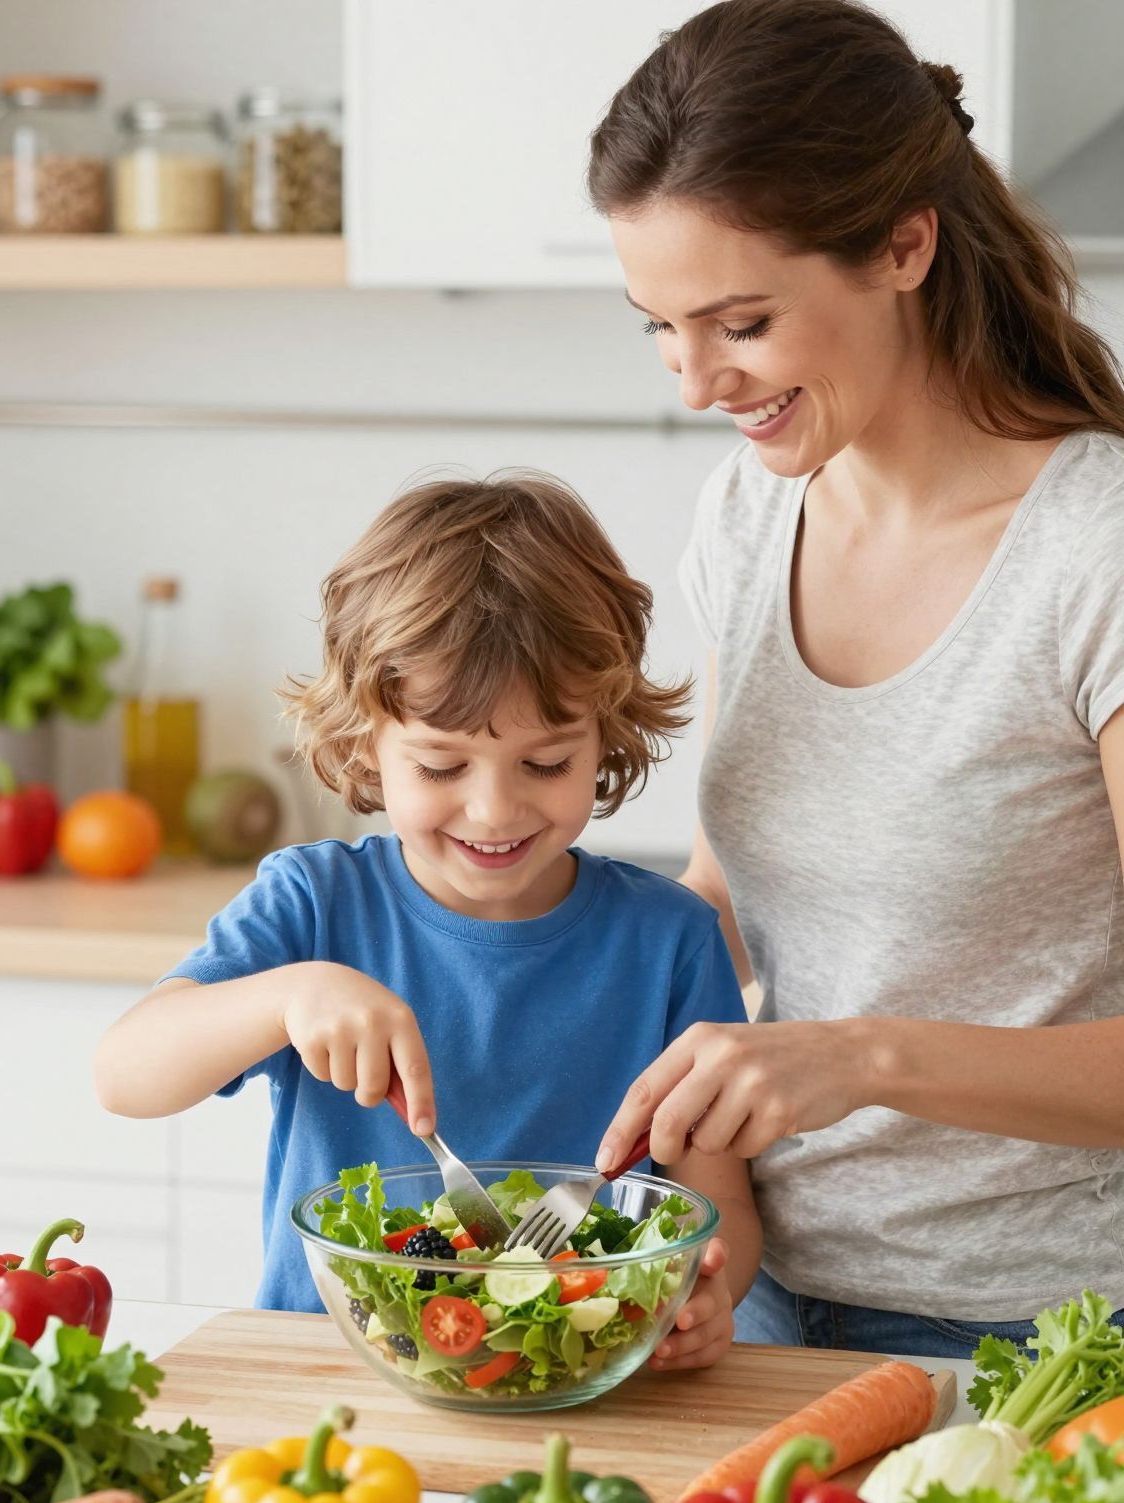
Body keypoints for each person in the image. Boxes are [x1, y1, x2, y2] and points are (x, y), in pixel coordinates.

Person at [585, 0, 1124, 1356]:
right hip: (763, 1293)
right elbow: (724, 897)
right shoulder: (751, 513)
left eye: (741, 322)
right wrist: (485, 945)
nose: (696, 380)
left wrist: (861, 1056)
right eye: (658, 327)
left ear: (904, 245)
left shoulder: (1094, 551)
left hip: (1043, 1334)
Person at [95, 472, 760, 1359]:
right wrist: (287, 996)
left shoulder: (671, 943)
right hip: (327, 1372)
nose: (494, 810)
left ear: (606, 736)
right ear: (366, 746)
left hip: (572, 1375)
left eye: (547, 763)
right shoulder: (314, 904)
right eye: (442, 768)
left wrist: (703, 1293)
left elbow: (719, 1206)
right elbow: (125, 1074)